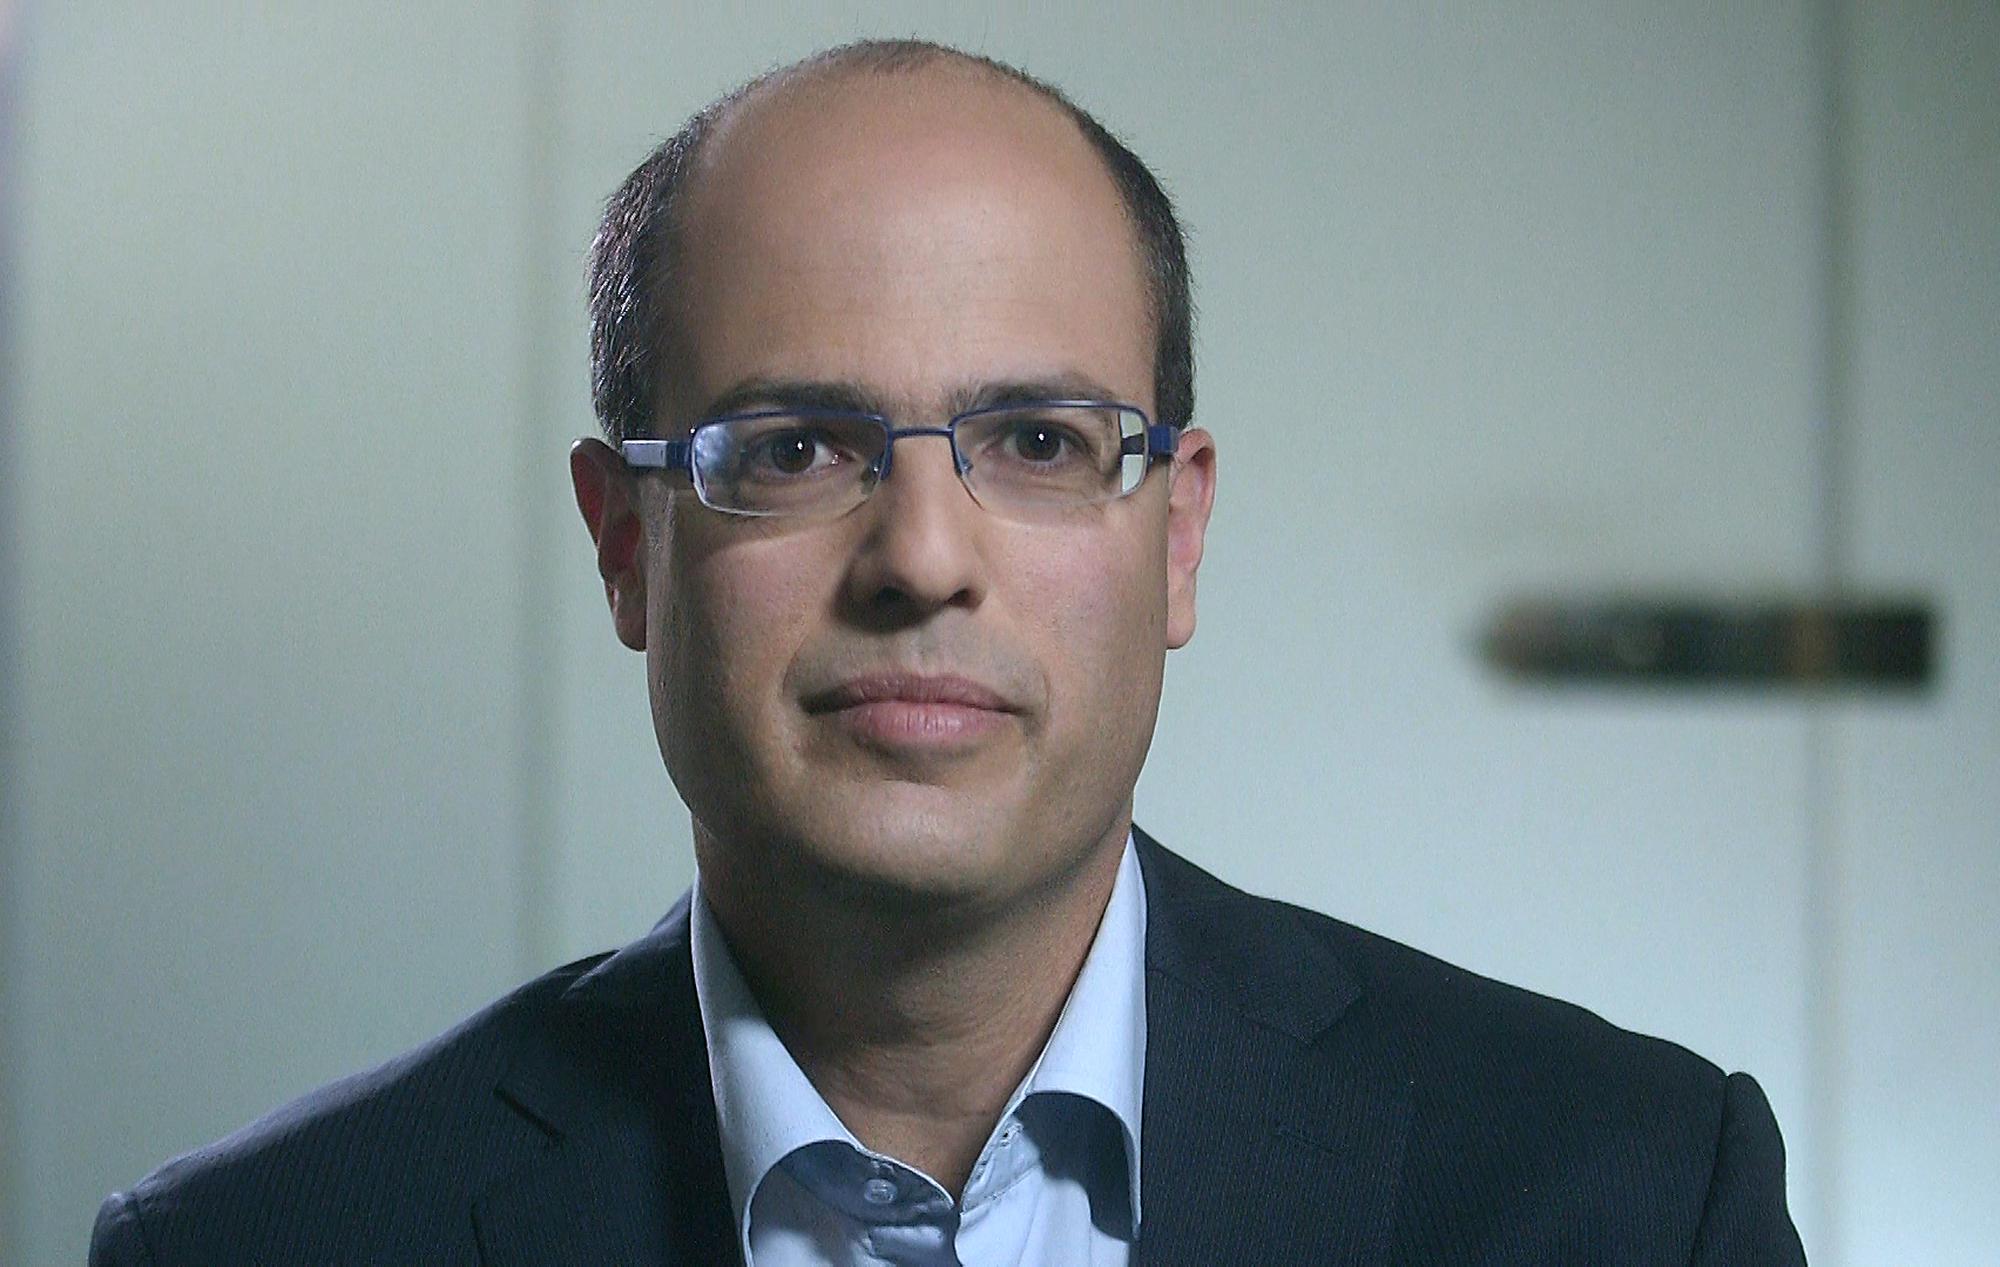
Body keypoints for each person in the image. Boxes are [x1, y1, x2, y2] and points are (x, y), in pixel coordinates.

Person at [91, 39, 1807, 1265]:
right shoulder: (254, 1246)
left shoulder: (1625, 1198)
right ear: (627, 547)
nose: (920, 557)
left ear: (1178, 536)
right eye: (794, 449)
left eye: (1040, 443)